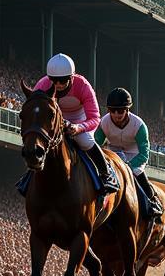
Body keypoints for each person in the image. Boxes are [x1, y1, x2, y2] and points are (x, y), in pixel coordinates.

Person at [32, 53, 118, 199]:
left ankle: (106, 174)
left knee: (85, 140)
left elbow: (95, 117)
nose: (58, 85)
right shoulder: (42, 85)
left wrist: (78, 128)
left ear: (71, 77)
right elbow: (35, 110)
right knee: (37, 143)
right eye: (54, 80)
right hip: (54, 120)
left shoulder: (83, 86)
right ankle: (28, 179)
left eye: (63, 80)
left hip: (80, 119)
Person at [94, 87, 162, 218]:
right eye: (112, 110)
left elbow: (144, 155)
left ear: (127, 110)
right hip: (113, 154)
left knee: (137, 173)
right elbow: (96, 145)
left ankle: (152, 201)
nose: (116, 114)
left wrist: (128, 166)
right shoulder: (104, 122)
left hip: (134, 156)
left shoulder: (139, 125)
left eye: (120, 111)